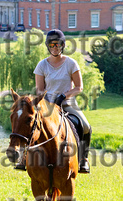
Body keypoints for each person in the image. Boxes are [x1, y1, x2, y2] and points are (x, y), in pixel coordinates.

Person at [24, 29, 92, 174]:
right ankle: (24, 158)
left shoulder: (71, 64)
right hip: (47, 103)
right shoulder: (41, 65)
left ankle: (83, 160)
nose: (55, 47)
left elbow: (79, 87)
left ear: (63, 45)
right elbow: (40, 90)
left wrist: (63, 96)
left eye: (58, 44)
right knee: (30, 123)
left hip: (67, 102)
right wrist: (49, 100)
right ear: (48, 46)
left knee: (86, 126)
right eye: (52, 44)